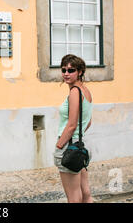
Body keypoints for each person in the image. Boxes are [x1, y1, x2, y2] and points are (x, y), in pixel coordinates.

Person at [53, 54, 93, 203]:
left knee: (74, 197)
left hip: (69, 146)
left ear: (80, 72)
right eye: (63, 70)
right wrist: (78, 136)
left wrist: (59, 145)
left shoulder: (75, 92)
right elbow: (88, 122)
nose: (66, 74)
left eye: (71, 70)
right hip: (81, 145)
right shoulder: (85, 91)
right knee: (85, 193)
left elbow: (71, 125)